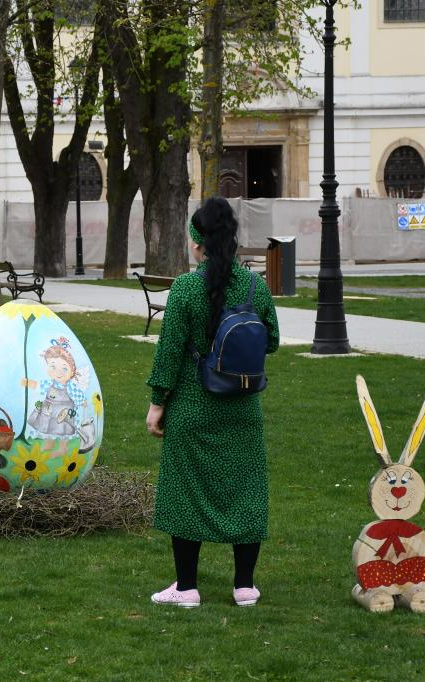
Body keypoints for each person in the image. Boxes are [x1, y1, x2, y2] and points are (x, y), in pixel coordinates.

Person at [145, 197, 280, 608]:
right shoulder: (255, 287)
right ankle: (244, 587)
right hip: (242, 407)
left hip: (192, 405)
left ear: (196, 242)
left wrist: (157, 403)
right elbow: (272, 340)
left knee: (185, 492)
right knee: (246, 491)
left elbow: (169, 351)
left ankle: (186, 588)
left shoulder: (185, 288)